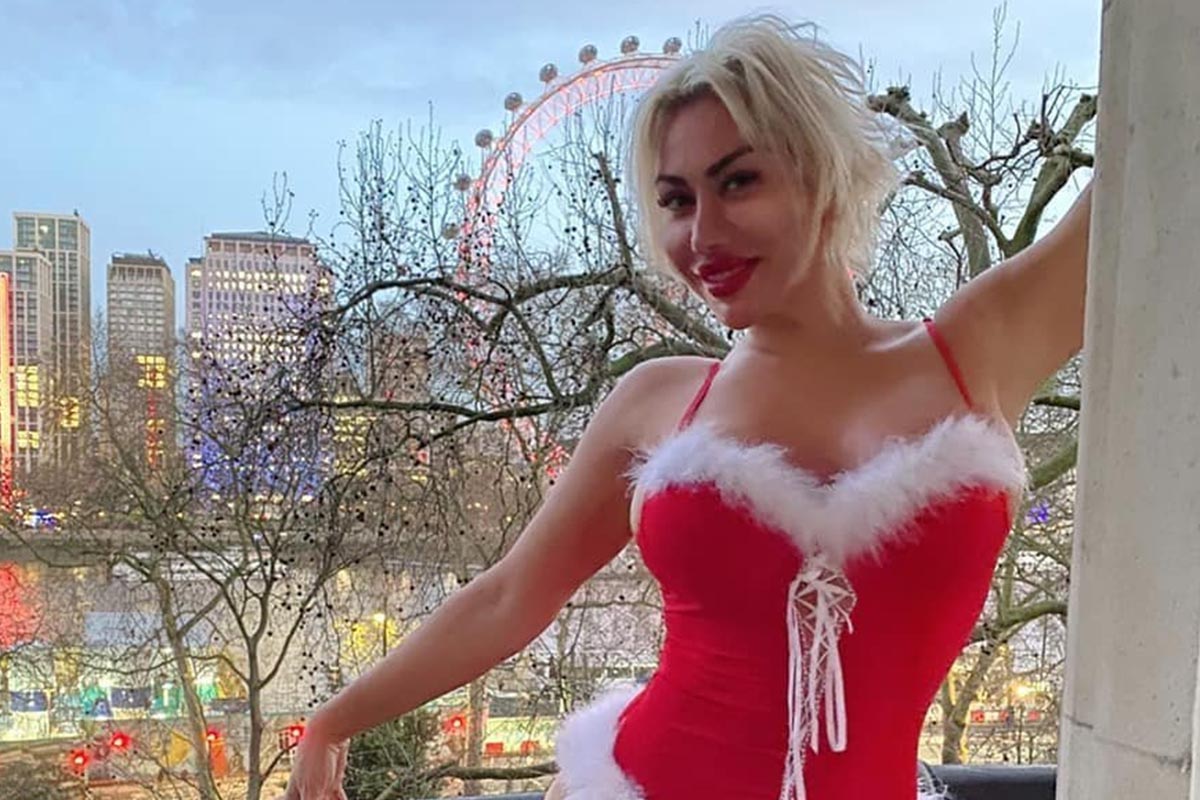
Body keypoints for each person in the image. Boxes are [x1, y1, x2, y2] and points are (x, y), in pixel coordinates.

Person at [284, 14, 1091, 800]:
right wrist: (334, 722)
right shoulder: (658, 399)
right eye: (675, 200)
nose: (702, 234)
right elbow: (508, 597)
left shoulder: (976, 350)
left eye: (738, 182)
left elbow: (1141, 161)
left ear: (823, 175)